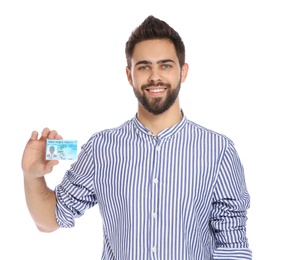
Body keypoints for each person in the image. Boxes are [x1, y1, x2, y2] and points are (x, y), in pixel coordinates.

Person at [21, 15, 252, 259]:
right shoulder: (101, 148)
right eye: (143, 67)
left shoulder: (218, 150)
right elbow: (48, 221)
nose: (155, 77)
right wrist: (31, 175)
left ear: (183, 72)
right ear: (129, 75)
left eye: (165, 65)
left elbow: (232, 246)